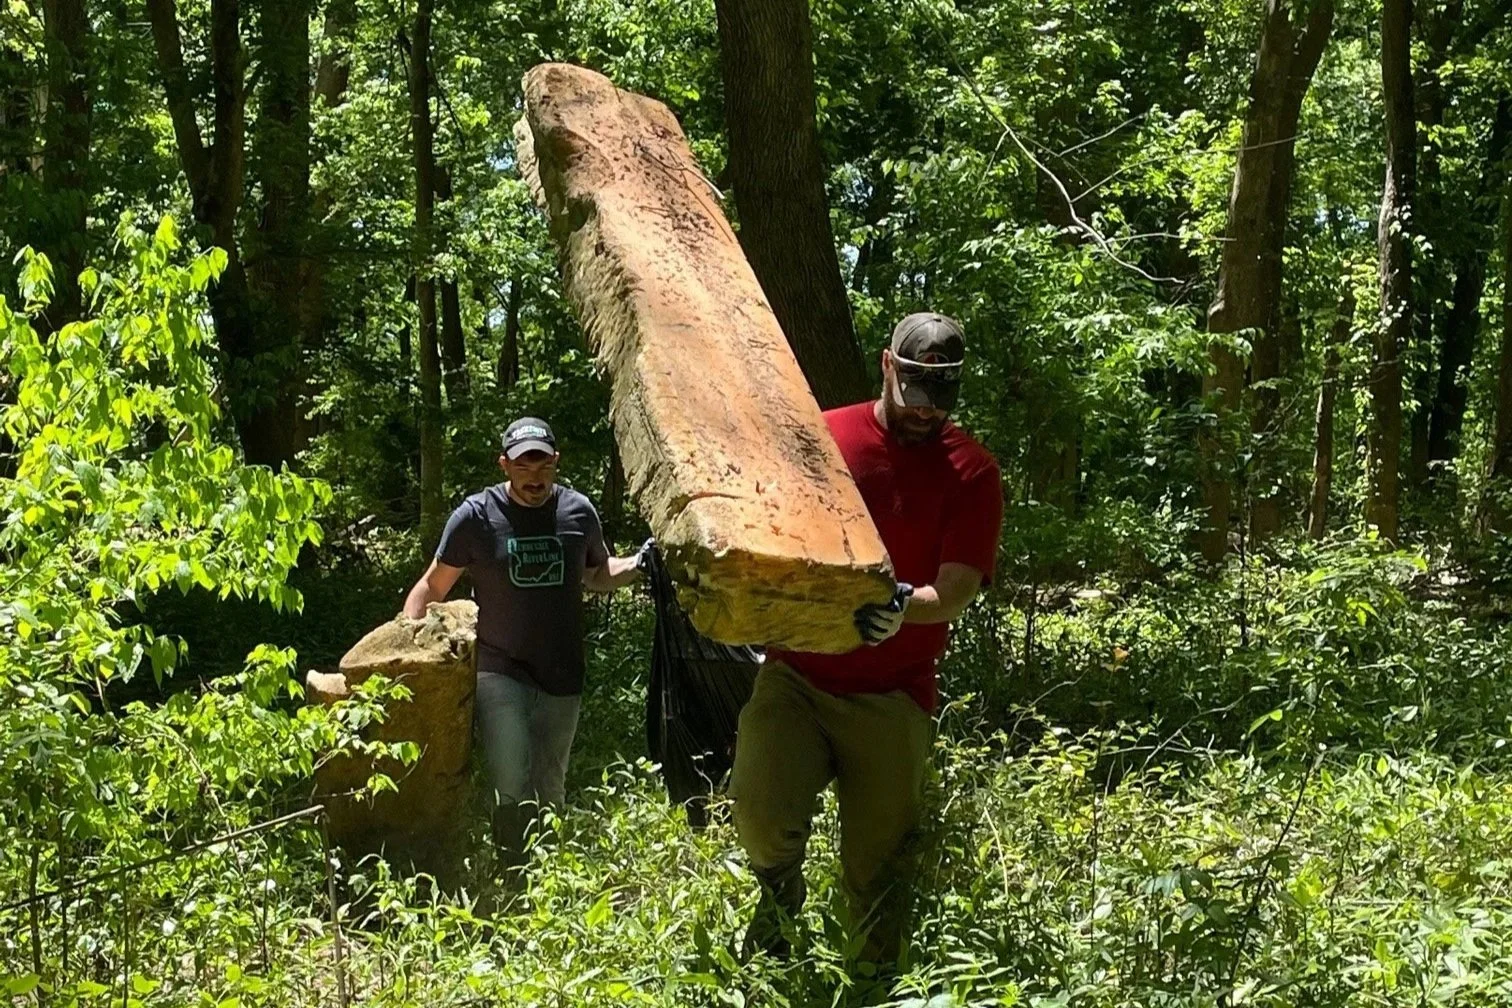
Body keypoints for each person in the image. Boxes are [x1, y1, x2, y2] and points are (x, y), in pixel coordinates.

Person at [730, 312, 1004, 968]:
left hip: (893, 694)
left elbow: (958, 588)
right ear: (887, 365)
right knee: (759, 812)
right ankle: (777, 898)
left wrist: (903, 606)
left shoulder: (971, 471)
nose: (926, 412)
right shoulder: (826, 438)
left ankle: (873, 980)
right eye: (915, 392)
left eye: (942, 397)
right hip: (798, 673)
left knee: (878, 868)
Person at [402, 417, 645, 866]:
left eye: (542, 465)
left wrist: (639, 563)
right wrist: (408, 638)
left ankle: (546, 875)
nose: (534, 476)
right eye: (523, 466)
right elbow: (433, 586)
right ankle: (511, 871)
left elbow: (597, 573)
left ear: (555, 462)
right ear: (505, 465)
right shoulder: (477, 517)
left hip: (563, 669)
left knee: (550, 783)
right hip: (500, 668)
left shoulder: (577, 512)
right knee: (510, 777)